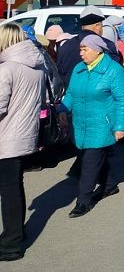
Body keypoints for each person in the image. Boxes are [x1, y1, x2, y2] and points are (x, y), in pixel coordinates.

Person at [61, 34, 124, 218]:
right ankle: (109, 185)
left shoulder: (113, 70)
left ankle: (83, 201)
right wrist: (62, 109)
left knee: (89, 164)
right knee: (90, 156)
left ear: (97, 50)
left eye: (85, 49)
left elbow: (123, 100)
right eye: (80, 49)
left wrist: (121, 126)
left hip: (102, 125)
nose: (81, 53)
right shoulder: (79, 68)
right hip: (80, 124)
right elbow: (70, 93)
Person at [0, 24, 46, 261]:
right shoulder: (37, 66)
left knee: (9, 190)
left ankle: (11, 243)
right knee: (13, 187)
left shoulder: (7, 69)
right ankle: (15, 233)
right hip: (24, 133)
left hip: (6, 135)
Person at [56, 6, 121, 86]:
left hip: (71, 94)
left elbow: (60, 72)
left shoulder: (66, 45)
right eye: (101, 26)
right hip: (100, 96)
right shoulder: (106, 45)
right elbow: (116, 74)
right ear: (97, 26)